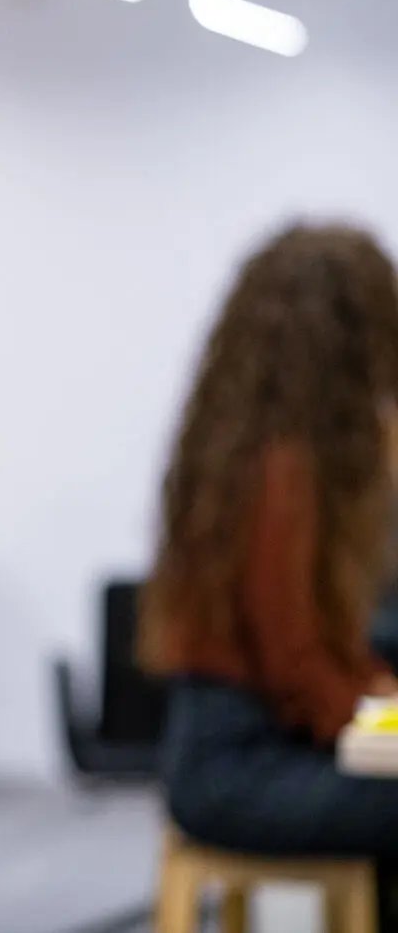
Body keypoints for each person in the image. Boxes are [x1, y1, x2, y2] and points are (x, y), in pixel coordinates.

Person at [141, 223, 398, 920]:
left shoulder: (237, 456)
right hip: (239, 774)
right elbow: (297, 665)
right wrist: (376, 708)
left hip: (222, 759)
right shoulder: (282, 472)